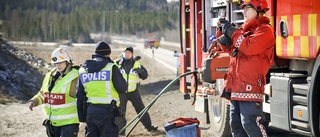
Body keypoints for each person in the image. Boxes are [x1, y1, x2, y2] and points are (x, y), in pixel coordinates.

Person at [210, 0, 275, 136]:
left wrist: (232, 32)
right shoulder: (244, 31)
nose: (243, 11)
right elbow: (233, 51)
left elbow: (248, 47)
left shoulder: (265, 30)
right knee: (236, 126)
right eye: (243, 8)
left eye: (247, 8)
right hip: (236, 87)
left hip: (250, 88)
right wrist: (222, 34)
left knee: (250, 124)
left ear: (259, 9)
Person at [76, 41, 127, 137]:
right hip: (108, 113)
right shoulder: (111, 67)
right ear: (108, 54)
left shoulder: (83, 70)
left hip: (91, 113)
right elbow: (122, 88)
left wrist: (82, 118)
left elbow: (79, 95)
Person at [28, 47, 80, 137]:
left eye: (60, 62)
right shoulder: (50, 76)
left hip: (69, 124)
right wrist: (34, 101)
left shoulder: (76, 77)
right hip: (52, 123)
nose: (58, 65)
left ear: (68, 61)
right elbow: (43, 93)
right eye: (55, 63)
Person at [116, 47, 158, 135]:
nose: (127, 54)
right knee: (120, 112)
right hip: (121, 93)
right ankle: (121, 131)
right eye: (126, 52)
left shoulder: (136, 64)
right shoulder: (116, 64)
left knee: (141, 109)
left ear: (132, 54)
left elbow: (145, 76)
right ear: (123, 53)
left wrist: (140, 71)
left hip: (133, 92)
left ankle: (149, 126)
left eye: (129, 52)